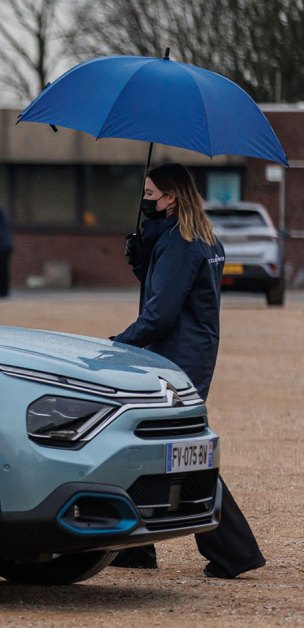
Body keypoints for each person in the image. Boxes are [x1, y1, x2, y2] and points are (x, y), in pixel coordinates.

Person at [110, 162, 265, 579]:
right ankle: (138, 547)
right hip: (190, 354)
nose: (144, 201)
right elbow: (173, 291)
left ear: (171, 197)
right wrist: (141, 261)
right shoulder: (201, 238)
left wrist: (116, 345)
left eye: (150, 194)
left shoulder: (180, 242)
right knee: (156, 447)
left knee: (183, 452)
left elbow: (159, 314)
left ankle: (236, 550)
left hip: (174, 361)